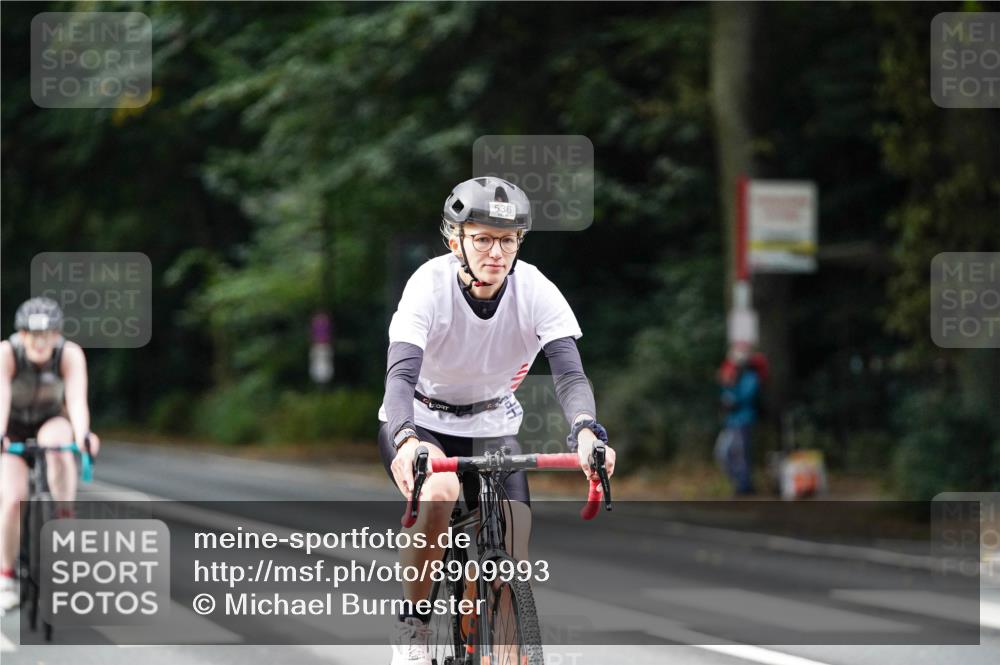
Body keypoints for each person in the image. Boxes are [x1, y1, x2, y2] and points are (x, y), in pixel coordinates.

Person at [378, 176, 616, 665]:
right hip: (422, 421)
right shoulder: (428, 285)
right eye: (483, 238)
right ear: (456, 241)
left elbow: (570, 374)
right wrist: (405, 440)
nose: (496, 252)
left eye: (507, 240)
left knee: (512, 548)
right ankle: (414, 624)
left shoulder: (535, 289)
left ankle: (502, 647)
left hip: (491, 424)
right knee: (440, 494)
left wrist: (586, 431)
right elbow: (399, 377)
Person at [0, 297, 101, 612]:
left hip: (50, 420)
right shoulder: (7, 353)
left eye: (47, 334)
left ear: (57, 334)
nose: (40, 342)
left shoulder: (69, 354)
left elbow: (77, 400)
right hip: (12, 426)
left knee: (59, 445)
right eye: (33, 334)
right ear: (22, 334)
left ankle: (64, 514)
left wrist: (84, 436)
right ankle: (5, 576)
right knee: (13, 499)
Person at [715, 341, 767, 495]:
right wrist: (725, 385)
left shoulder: (751, 377)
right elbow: (725, 396)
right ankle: (740, 483)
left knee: (740, 454)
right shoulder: (731, 374)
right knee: (723, 452)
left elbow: (746, 396)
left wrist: (733, 397)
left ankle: (744, 486)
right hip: (731, 421)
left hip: (744, 420)